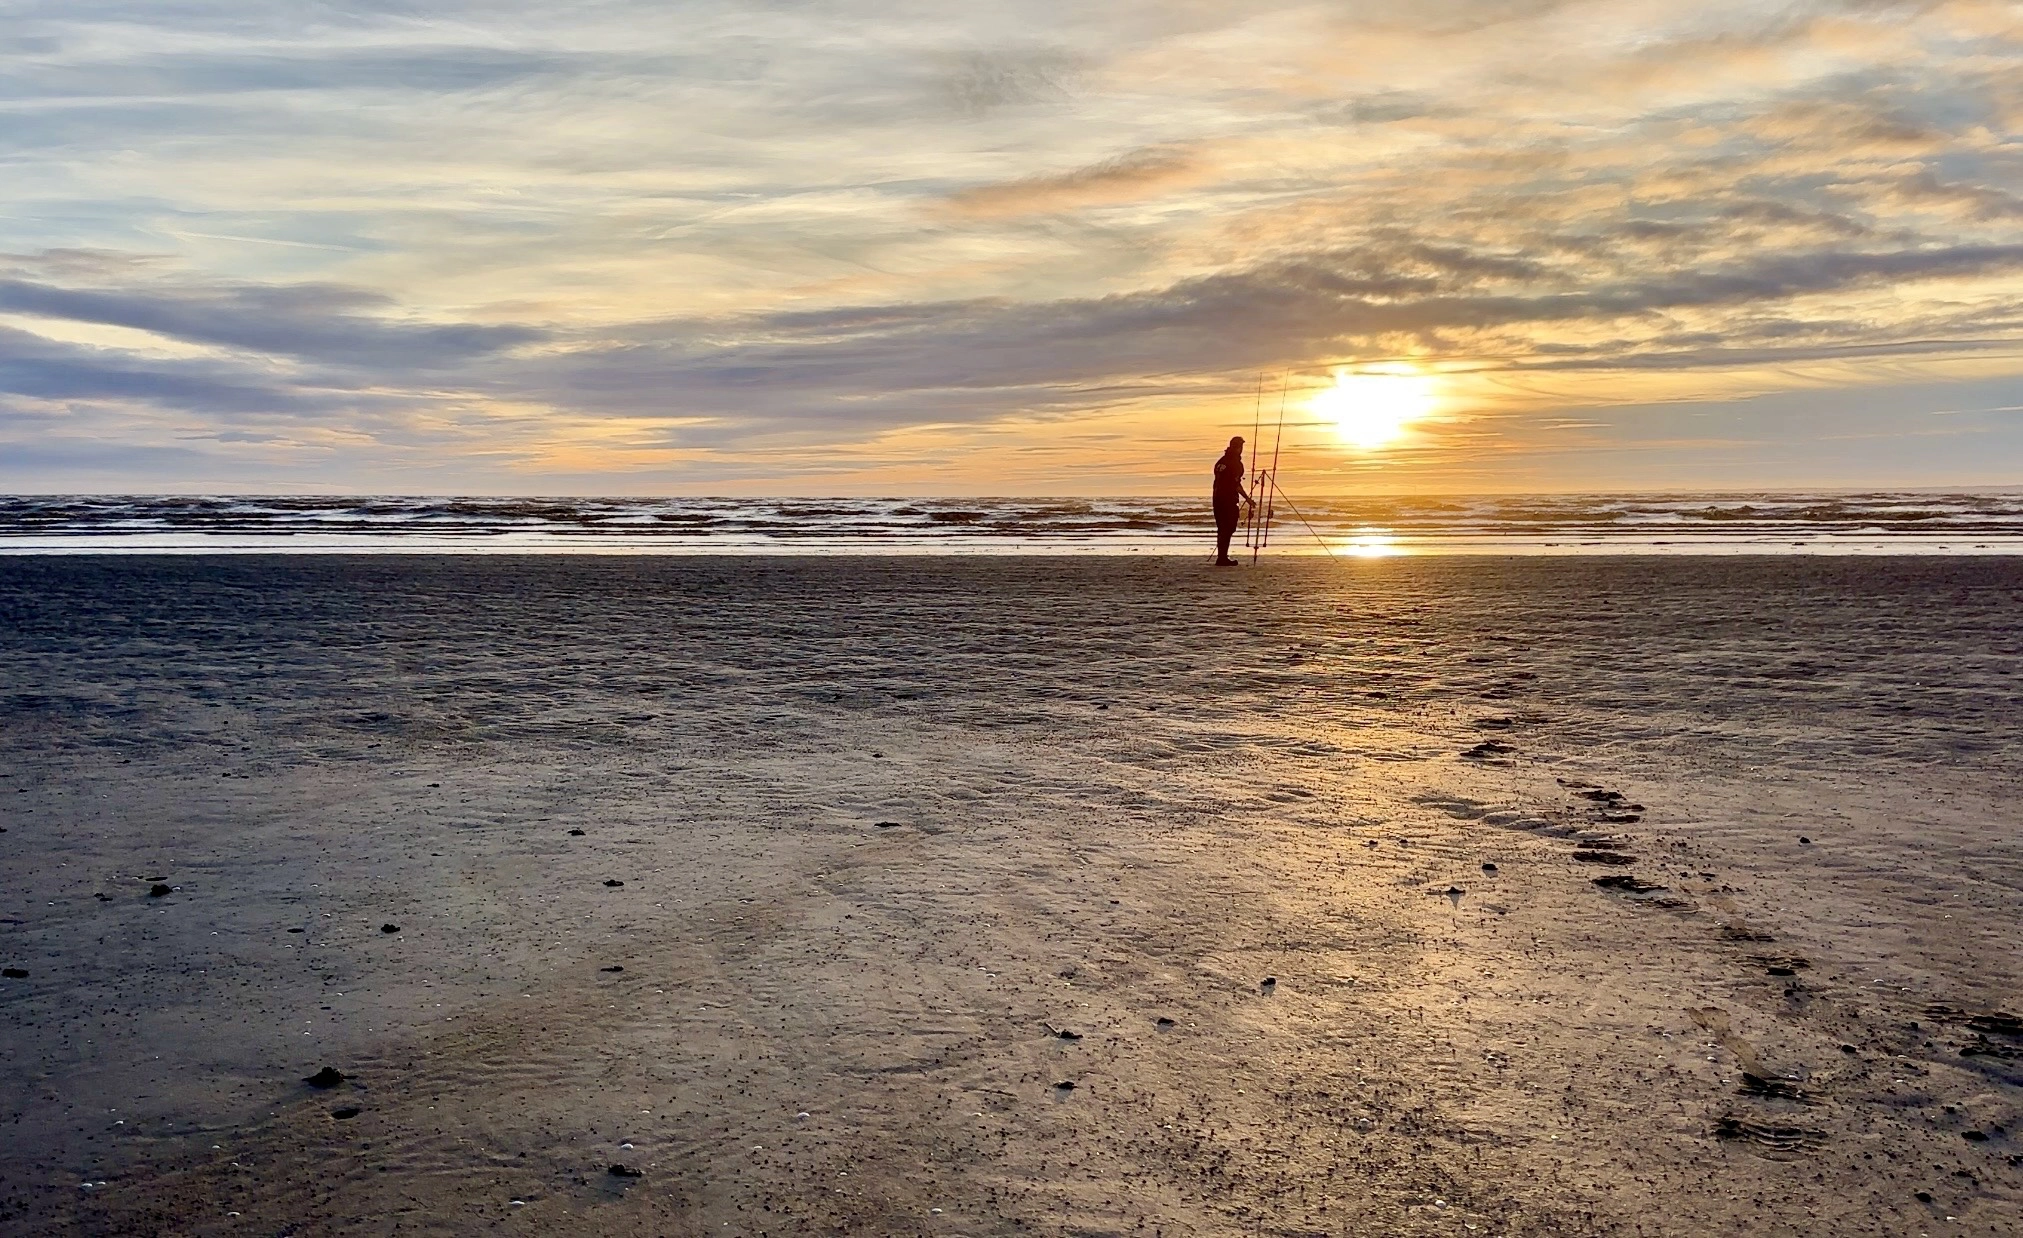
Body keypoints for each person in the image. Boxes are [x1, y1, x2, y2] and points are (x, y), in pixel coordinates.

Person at [1212, 436, 1251, 565]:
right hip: (1228, 499)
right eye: (1240, 447)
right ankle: (1222, 558)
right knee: (1228, 528)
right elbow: (1236, 484)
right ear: (1238, 448)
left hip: (1217, 498)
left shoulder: (1220, 462)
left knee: (1222, 528)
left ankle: (1221, 556)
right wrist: (1247, 499)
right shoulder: (1235, 463)